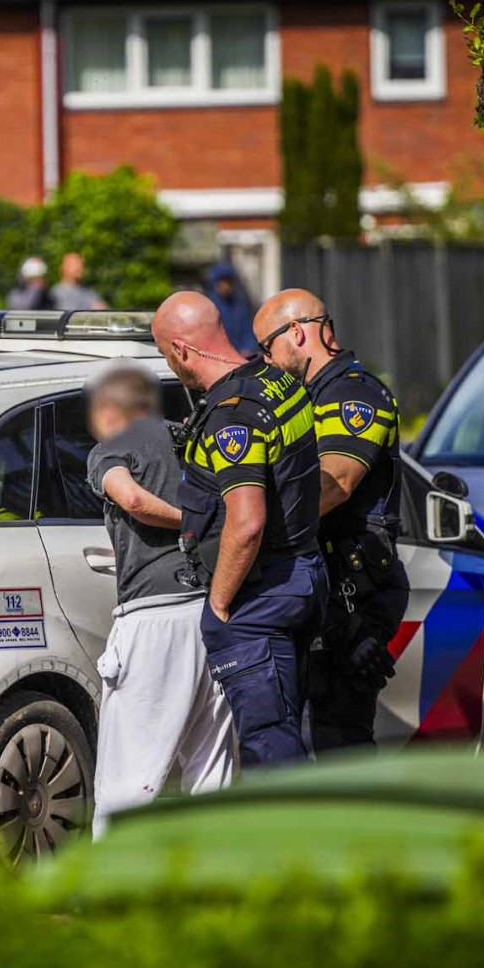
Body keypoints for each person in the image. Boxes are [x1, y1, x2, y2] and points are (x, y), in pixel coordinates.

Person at [151, 291, 326, 768]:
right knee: (288, 731)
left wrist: (220, 604)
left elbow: (247, 523)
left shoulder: (231, 415)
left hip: (259, 595)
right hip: (303, 570)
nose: (172, 367)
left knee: (270, 750)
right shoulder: (280, 383)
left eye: (168, 356)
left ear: (182, 350)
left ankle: (301, 843)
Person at [258, 289, 407, 753]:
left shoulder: (352, 392)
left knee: (339, 741)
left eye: (267, 348)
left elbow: (334, 484)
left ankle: (364, 828)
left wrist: (250, 526)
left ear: (297, 333)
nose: (265, 362)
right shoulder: (310, 397)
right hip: (331, 587)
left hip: (357, 590)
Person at [84, 362, 229, 837]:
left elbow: (134, 501)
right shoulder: (194, 440)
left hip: (153, 620)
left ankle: (111, 889)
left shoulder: (111, 448)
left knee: (131, 771)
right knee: (212, 767)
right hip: (214, 610)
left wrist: (188, 521)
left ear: (109, 410)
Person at [204, 261, 259, 358]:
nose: (226, 286)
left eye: (229, 282)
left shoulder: (240, 304)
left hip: (240, 355)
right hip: (217, 355)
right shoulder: (209, 305)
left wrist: (248, 348)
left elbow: (248, 329)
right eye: (222, 282)